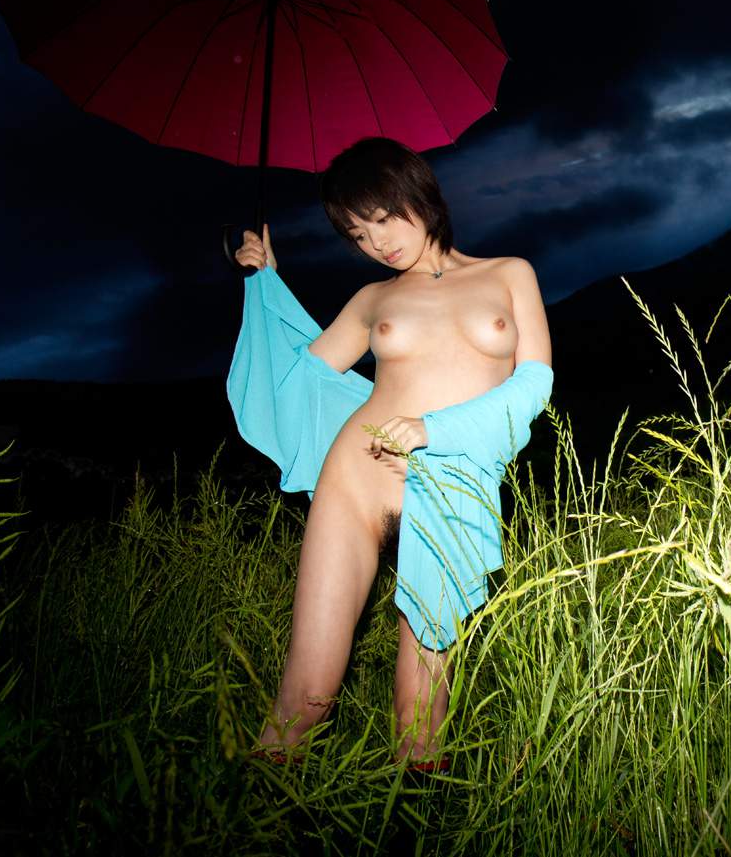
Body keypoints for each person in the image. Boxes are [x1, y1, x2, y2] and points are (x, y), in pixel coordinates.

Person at [230, 137, 552, 769]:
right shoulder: (373, 299)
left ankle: (413, 813)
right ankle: (245, 806)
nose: (377, 243)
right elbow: (294, 379)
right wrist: (264, 284)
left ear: (419, 194)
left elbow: (534, 384)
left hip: (454, 487)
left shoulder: (510, 274)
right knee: (306, 695)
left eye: (381, 218)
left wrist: (437, 428)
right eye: (358, 234)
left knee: (421, 716)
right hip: (357, 479)